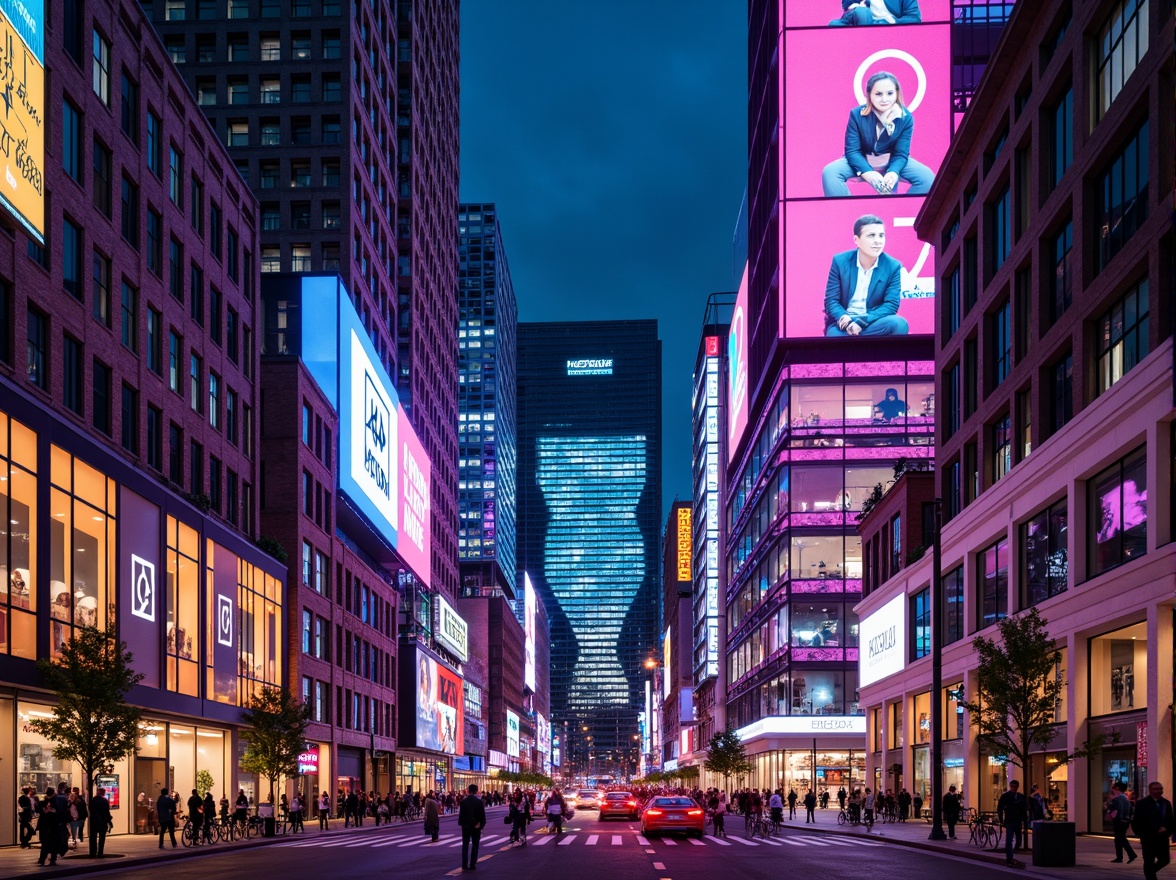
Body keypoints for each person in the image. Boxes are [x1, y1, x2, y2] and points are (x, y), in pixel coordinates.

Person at [822, 72, 935, 197]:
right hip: (862, 160)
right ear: (869, 95)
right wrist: (868, 173)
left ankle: (909, 213)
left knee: (927, 177)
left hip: (891, 160)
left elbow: (901, 153)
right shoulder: (856, 114)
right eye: (878, 94)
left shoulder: (906, 118)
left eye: (890, 93)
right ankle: (845, 212)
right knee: (830, 172)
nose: (885, 99)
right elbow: (852, 152)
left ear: (897, 93)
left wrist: (893, 172)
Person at [823, 215, 909, 337]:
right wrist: (845, 318)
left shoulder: (893, 266)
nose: (878, 241)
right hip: (845, 323)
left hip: (872, 321)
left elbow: (891, 305)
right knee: (834, 336)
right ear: (856, 240)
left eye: (881, 235)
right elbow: (831, 301)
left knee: (899, 324)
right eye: (871, 235)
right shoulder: (840, 262)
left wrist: (862, 322)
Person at [1132, 781, 1172, 880]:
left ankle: (1149, 873)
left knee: (1165, 860)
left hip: (1162, 838)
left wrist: (1167, 829)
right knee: (1149, 861)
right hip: (1148, 838)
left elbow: (1170, 819)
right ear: (1150, 790)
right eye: (1155, 789)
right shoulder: (1142, 803)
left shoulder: (1166, 803)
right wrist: (1142, 834)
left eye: (1160, 789)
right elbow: (1137, 821)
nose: (1158, 791)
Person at [997, 779, 1028, 866]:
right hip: (1010, 820)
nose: (1014, 788)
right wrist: (1001, 820)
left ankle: (1013, 852)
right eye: (1013, 786)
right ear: (1010, 786)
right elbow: (1000, 808)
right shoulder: (1005, 796)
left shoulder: (1021, 797)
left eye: (1015, 786)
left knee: (1018, 840)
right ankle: (1009, 857)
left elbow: (1024, 809)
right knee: (1009, 839)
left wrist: (1025, 821)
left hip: (1018, 820)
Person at [457, 784, 486, 871]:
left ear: (468, 791)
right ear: (476, 791)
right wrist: (481, 825)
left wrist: (462, 823)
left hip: (465, 826)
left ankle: (464, 864)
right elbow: (482, 816)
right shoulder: (479, 802)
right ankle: (472, 864)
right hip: (476, 826)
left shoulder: (463, 801)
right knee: (475, 845)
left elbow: (461, 815)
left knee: (465, 845)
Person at [830, 0, 922, 26]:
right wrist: (855, 6)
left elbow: (914, 17)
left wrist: (893, 21)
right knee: (834, 24)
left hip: (891, 25)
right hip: (862, 20)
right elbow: (848, 6)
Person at [1108, 782, 1137, 863]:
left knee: (1120, 837)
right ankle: (1119, 857)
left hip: (1119, 820)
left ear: (1117, 789)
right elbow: (1131, 810)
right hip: (1125, 820)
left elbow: (1110, 808)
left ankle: (1131, 854)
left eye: (1113, 788)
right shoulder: (1126, 798)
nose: (1112, 789)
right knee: (1118, 838)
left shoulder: (1117, 799)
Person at [37, 786, 61, 867]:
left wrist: (53, 812)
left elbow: (59, 813)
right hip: (49, 825)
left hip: (50, 825)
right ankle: (46, 859)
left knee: (48, 843)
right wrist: (45, 811)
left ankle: (45, 859)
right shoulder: (47, 801)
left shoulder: (53, 801)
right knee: (48, 843)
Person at [90, 787, 112, 857]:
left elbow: (91, 811)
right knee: (102, 838)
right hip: (102, 822)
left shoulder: (93, 800)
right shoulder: (104, 801)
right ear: (103, 793)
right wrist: (109, 821)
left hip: (94, 822)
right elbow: (106, 812)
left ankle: (93, 852)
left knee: (93, 838)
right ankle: (100, 852)